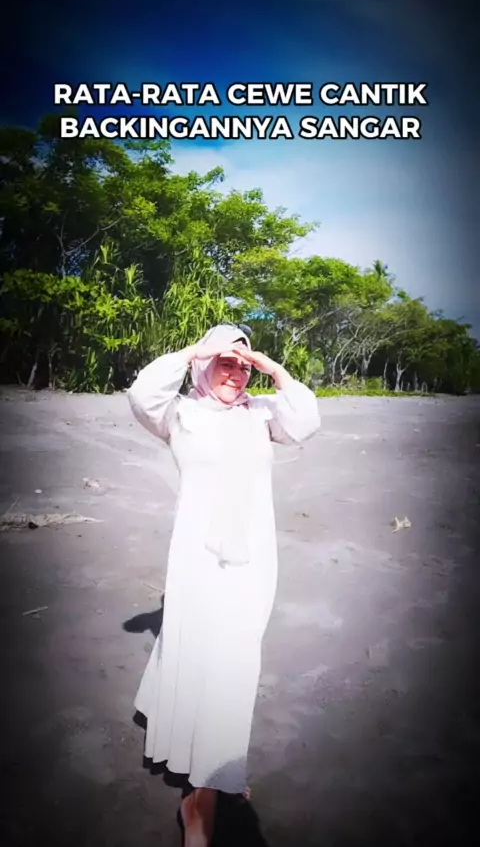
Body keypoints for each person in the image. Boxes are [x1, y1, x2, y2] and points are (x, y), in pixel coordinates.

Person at [127, 323, 320, 846]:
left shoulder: (260, 414)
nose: (234, 374)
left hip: (252, 562)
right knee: (197, 653)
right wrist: (198, 349)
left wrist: (271, 368)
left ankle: (210, 775)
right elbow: (142, 393)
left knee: (234, 664)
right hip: (197, 559)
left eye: (241, 365)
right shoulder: (180, 414)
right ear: (203, 367)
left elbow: (306, 420)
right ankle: (204, 795)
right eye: (224, 363)